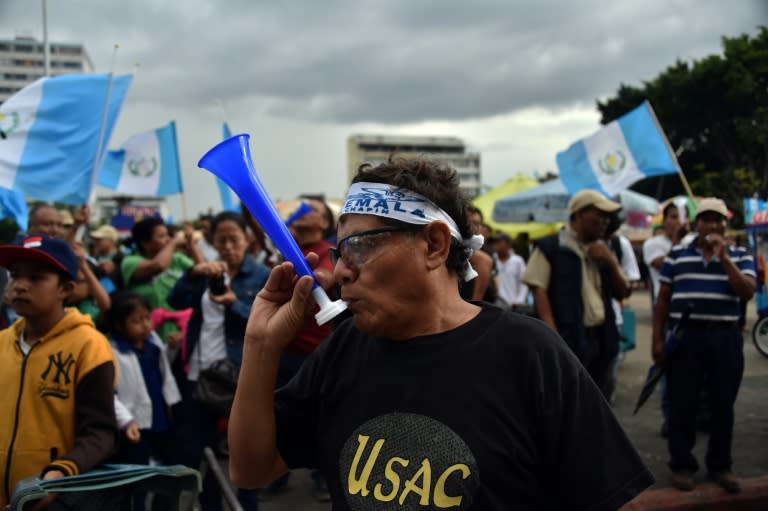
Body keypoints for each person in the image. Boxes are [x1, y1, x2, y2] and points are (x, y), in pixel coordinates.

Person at [228, 158, 653, 510]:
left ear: (434, 245)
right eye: (341, 252)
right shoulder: (345, 348)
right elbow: (251, 469)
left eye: (359, 246)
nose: (339, 271)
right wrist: (261, 345)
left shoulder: (528, 354)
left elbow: (612, 498)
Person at [0, 234, 117, 509]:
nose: (20, 285)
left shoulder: (89, 345)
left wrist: (59, 473)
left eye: (36, 277)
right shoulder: (2, 342)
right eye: (15, 275)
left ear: (65, 289)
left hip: (54, 498)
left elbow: (101, 432)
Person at [168, 211, 270, 511]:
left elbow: (267, 324)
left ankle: (247, 506)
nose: (227, 246)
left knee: (245, 453)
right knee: (204, 451)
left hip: (239, 377)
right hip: (199, 375)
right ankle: (211, 505)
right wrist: (193, 273)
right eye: (221, 240)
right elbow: (175, 301)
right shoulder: (209, 272)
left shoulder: (261, 275)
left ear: (246, 240)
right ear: (212, 241)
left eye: (234, 239)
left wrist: (233, 303)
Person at [652, 197, 755, 493]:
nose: (712, 225)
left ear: (726, 224)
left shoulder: (740, 254)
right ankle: (682, 465)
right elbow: (662, 301)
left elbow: (747, 292)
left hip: (725, 337)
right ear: (696, 224)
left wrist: (724, 259)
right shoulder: (677, 255)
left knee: (723, 403)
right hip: (687, 336)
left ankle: (720, 465)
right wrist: (657, 339)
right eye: (706, 219)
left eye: (717, 220)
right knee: (683, 402)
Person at [263, 197, 337, 502]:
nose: (304, 214)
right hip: (286, 350)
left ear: (324, 223)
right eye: (301, 209)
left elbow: (327, 278)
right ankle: (275, 474)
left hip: (315, 352)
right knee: (280, 418)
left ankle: (323, 477)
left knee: (320, 417)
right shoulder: (284, 250)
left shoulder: (327, 253)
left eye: (313, 211)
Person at [523, 189, 629, 396]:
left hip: (602, 338)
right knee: (569, 400)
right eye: (600, 215)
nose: (606, 221)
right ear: (579, 214)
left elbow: (622, 293)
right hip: (570, 340)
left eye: (607, 216)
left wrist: (611, 263)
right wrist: (554, 338)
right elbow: (539, 290)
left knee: (599, 400)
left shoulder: (602, 250)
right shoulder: (551, 247)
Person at [109, 290, 181, 511]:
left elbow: (163, 371)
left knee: (169, 473)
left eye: (146, 318)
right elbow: (109, 393)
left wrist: (171, 349)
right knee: (136, 479)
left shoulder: (152, 341)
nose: (145, 325)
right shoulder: (111, 350)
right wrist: (126, 420)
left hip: (160, 418)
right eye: (136, 321)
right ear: (120, 325)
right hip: (135, 425)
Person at [122, 217, 203, 345]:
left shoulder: (177, 259)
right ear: (145, 243)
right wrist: (174, 243)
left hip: (182, 334)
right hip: (147, 337)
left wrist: (191, 244)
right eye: (162, 236)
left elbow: (204, 271)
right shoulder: (130, 262)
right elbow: (158, 266)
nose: (168, 239)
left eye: (168, 235)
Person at [643, 202, 685, 307]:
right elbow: (665, 267)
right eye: (674, 217)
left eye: (683, 217)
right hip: (666, 304)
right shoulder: (652, 243)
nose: (679, 221)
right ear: (664, 220)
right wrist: (677, 240)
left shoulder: (692, 242)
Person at [494, 233, 528, 307]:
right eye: (495, 242)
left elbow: (524, 282)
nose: (496, 245)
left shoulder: (518, 261)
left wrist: (519, 300)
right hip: (496, 303)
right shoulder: (492, 259)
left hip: (513, 304)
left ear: (508, 245)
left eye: (499, 242)